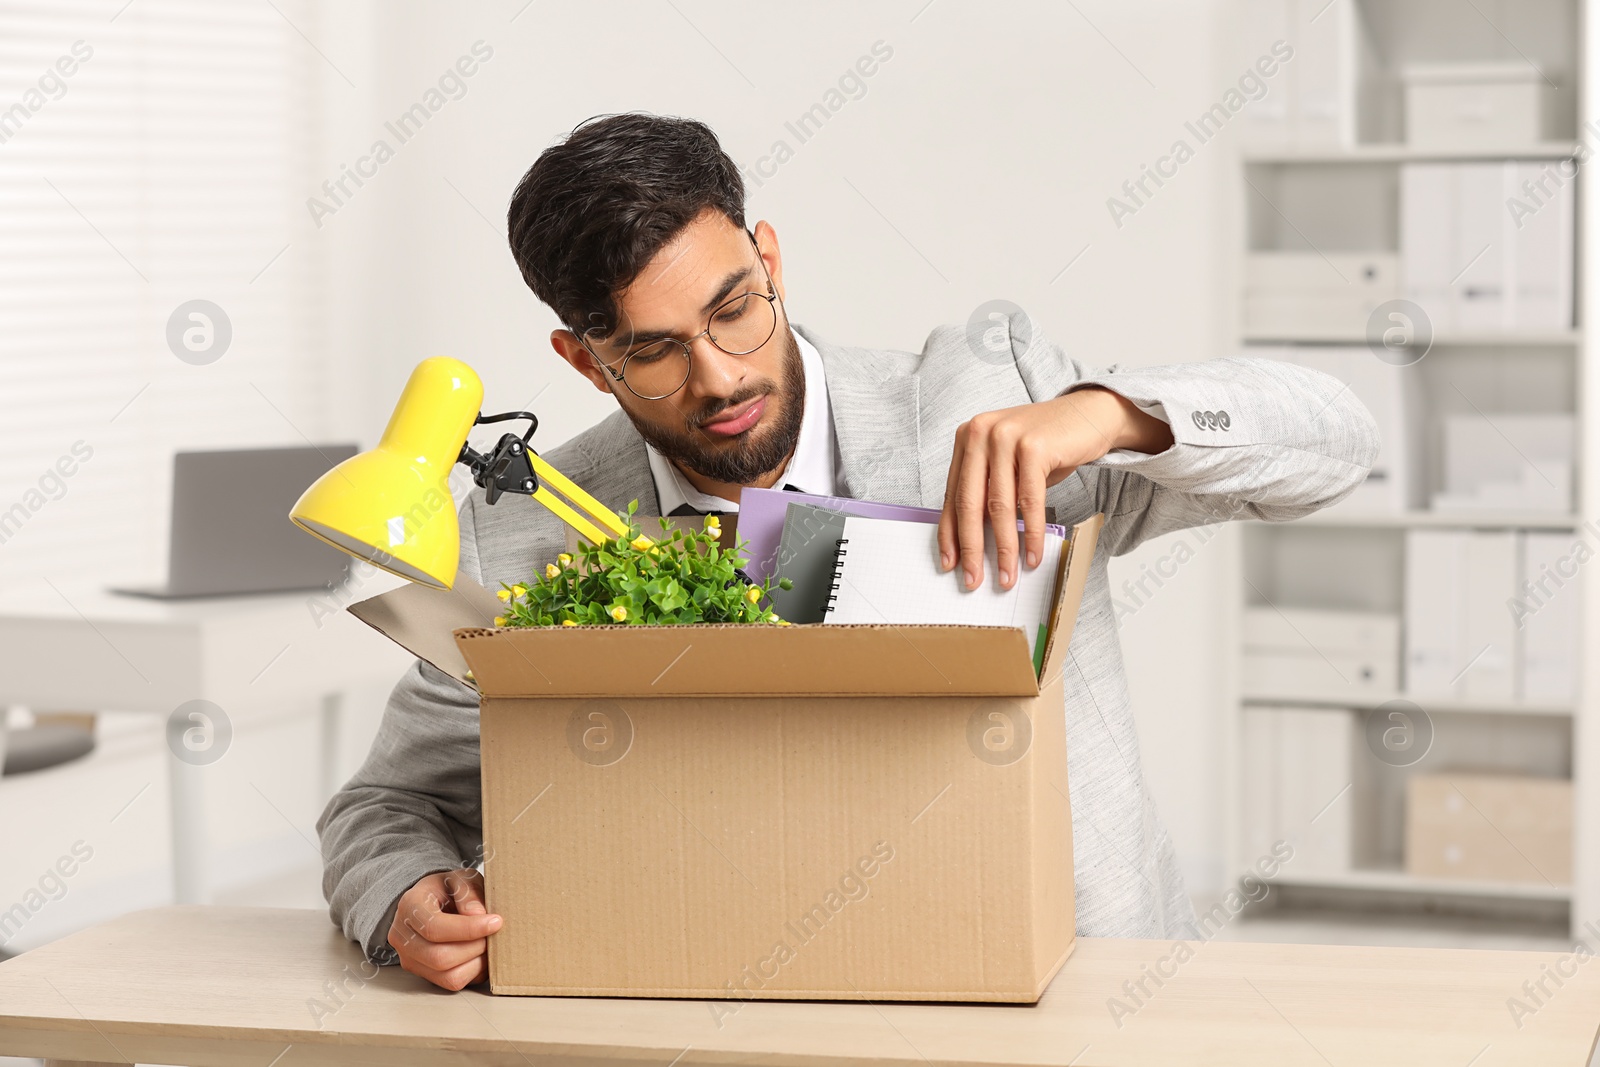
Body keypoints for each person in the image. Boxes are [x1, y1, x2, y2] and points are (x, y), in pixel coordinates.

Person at [317, 112, 1378, 991]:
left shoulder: (978, 402)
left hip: (1074, 992)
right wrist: (405, 892)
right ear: (585, 361)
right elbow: (384, 805)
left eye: (734, 310)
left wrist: (1115, 414)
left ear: (768, 261)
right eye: (652, 351)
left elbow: (1335, 442)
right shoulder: (525, 530)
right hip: (725, 1004)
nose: (722, 377)